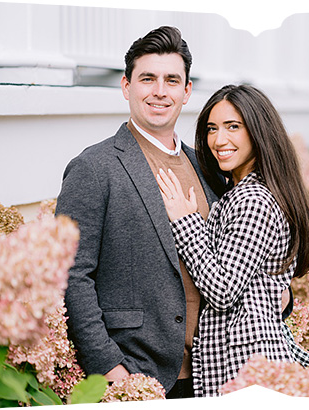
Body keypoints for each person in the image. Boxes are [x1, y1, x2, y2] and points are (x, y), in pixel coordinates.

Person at [57, 26, 219, 399]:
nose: (160, 91)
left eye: (171, 80)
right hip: (137, 376)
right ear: (127, 86)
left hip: (212, 375)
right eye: (148, 78)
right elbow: (71, 274)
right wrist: (111, 370)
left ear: (187, 91)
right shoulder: (94, 168)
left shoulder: (207, 169)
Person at [155, 84, 309, 397]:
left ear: (258, 131)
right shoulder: (243, 191)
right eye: (212, 129)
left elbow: (222, 289)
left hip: (246, 366)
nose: (219, 140)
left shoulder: (253, 199)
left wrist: (185, 221)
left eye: (233, 127)